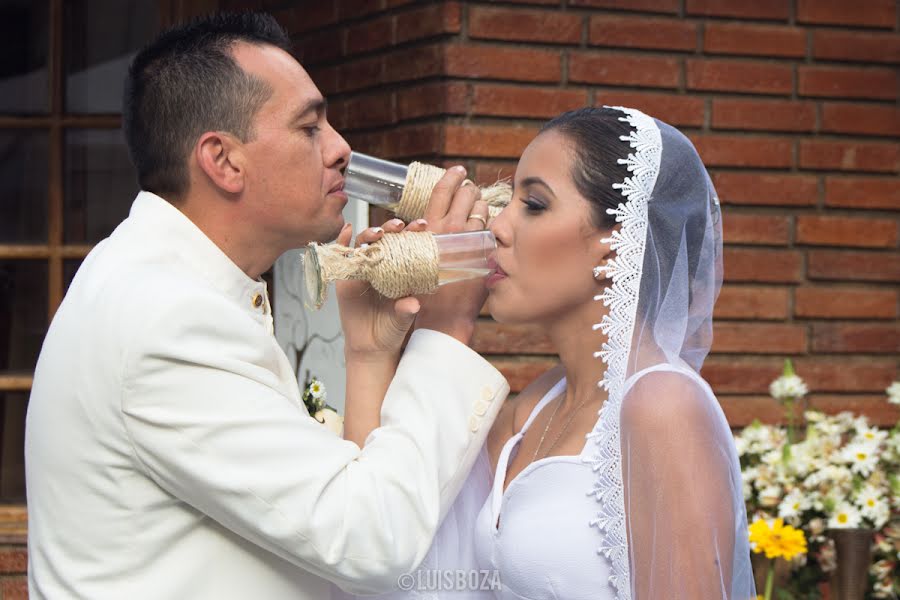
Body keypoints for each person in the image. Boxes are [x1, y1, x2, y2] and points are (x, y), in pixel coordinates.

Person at [24, 12, 508, 600]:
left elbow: (331, 513)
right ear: (223, 160)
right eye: (310, 128)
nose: (341, 150)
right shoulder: (169, 320)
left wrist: (368, 351)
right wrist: (447, 324)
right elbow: (370, 542)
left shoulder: (153, 277)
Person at [343, 106, 756, 599]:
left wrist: (449, 326)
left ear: (612, 249)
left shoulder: (661, 406)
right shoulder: (530, 411)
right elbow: (392, 554)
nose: (498, 226)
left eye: (534, 204)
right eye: (509, 200)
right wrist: (369, 352)